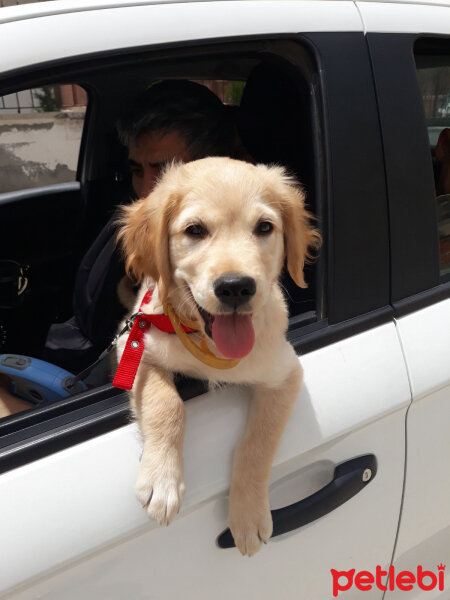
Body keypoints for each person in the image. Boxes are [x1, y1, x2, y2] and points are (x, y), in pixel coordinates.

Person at [43, 80, 246, 377]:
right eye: (138, 171)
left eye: (164, 171)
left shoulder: (233, 266)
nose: (146, 191)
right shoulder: (141, 229)